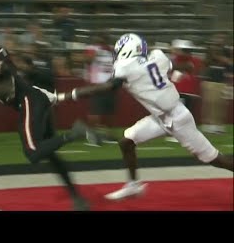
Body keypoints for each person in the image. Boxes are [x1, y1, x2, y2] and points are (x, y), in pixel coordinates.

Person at [53, 33, 233, 200]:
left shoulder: (126, 66)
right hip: (161, 117)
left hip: (177, 119)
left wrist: (64, 96)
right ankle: (134, 186)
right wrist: (186, 68)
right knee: (126, 141)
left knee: (214, 159)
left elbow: (106, 87)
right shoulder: (157, 56)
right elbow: (180, 66)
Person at [0, 34, 90, 211]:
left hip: (30, 98)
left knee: (33, 152)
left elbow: (6, 69)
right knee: (48, 154)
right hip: (26, 105)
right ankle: (76, 197)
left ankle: (75, 133)